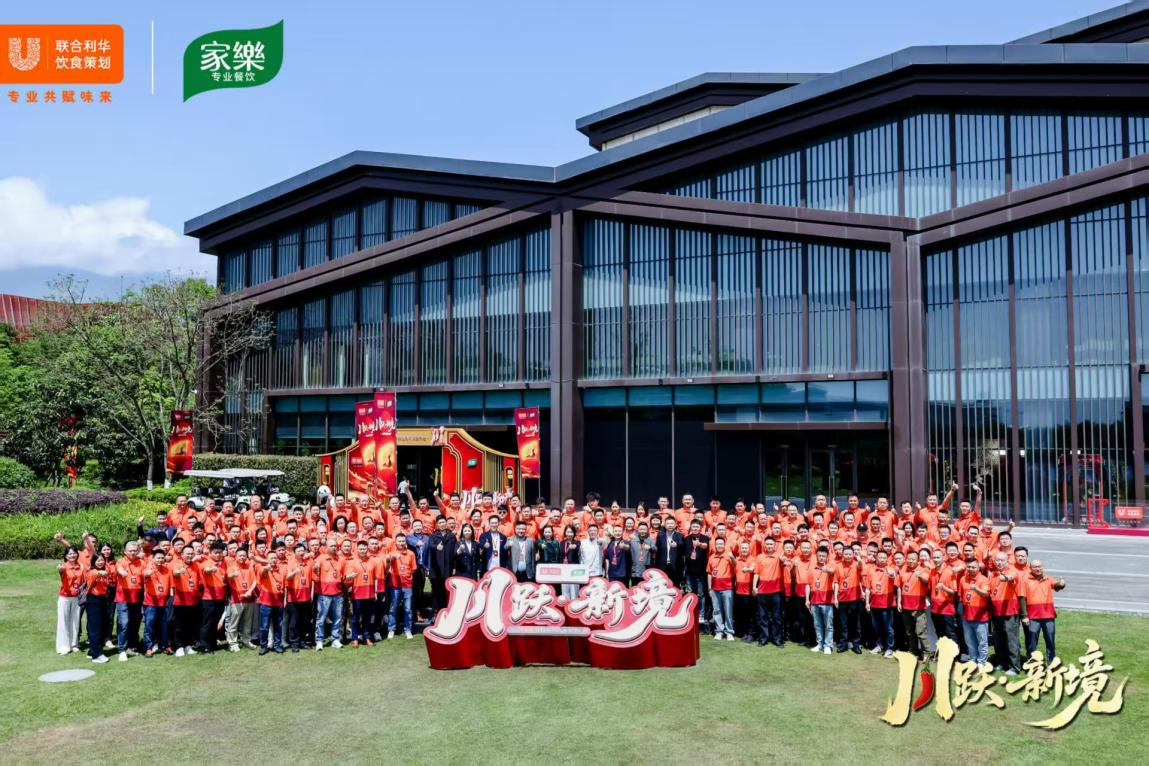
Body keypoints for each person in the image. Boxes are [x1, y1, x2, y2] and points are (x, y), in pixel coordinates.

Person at [1020, 560, 1065, 663]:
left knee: (1050, 641)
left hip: (1048, 616)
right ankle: (1032, 663)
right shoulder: (1025, 580)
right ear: (1030, 568)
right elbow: (1022, 598)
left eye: (1039, 566)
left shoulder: (1048, 579)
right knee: (1032, 642)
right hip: (1033, 617)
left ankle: (1051, 663)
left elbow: (1057, 586)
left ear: (1042, 567)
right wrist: (1024, 615)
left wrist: (1061, 584)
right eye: (1035, 567)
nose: (1037, 569)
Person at [958, 557, 992, 671]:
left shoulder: (984, 579)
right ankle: (973, 659)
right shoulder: (963, 579)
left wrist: (976, 589)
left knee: (982, 640)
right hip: (967, 615)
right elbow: (961, 596)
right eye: (969, 567)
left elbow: (986, 594)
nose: (971, 569)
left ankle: (982, 661)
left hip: (980, 616)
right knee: (969, 640)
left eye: (973, 567)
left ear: (978, 567)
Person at [896, 549, 930, 661]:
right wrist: (899, 601)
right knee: (909, 631)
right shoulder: (903, 570)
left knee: (921, 631)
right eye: (909, 559)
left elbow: (926, 581)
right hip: (906, 606)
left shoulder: (923, 569)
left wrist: (919, 576)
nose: (911, 561)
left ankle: (926, 653)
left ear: (918, 560)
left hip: (918, 606)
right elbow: (899, 587)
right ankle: (914, 651)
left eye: (913, 559)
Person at [114, 541, 145, 661]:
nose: (133, 553)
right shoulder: (121, 562)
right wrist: (122, 572)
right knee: (124, 623)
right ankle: (122, 650)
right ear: (125, 551)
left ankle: (131, 646)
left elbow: (145, 576)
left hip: (137, 598)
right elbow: (119, 569)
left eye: (135, 550)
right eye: (130, 550)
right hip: (123, 598)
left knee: (134, 623)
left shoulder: (142, 562)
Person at [196, 542, 228, 654]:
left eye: (220, 552)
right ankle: (204, 646)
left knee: (215, 622)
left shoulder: (223, 564)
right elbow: (206, 570)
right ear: (210, 553)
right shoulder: (206, 563)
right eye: (215, 553)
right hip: (209, 598)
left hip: (220, 597)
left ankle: (212, 643)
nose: (218, 555)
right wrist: (211, 569)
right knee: (207, 622)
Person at [170, 545, 202, 656]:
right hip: (181, 600)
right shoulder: (177, 564)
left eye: (191, 553)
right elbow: (175, 573)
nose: (190, 555)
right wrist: (179, 571)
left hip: (193, 600)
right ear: (182, 555)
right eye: (187, 554)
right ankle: (178, 647)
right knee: (179, 625)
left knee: (190, 625)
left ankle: (188, 645)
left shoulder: (196, 565)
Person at [313, 539, 345, 650]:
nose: (334, 547)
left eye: (335, 546)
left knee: (337, 618)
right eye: (331, 546)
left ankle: (335, 639)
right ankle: (319, 640)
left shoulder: (341, 559)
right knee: (321, 618)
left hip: (338, 594)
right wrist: (315, 570)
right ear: (326, 547)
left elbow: (343, 576)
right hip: (324, 594)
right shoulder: (321, 558)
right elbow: (315, 575)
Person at [256, 544, 288, 655]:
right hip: (266, 603)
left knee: (278, 625)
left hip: (278, 603)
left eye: (275, 558)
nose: (273, 560)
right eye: (271, 558)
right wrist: (267, 567)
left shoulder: (281, 570)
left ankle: (277, 645)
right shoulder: (263, 568)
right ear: (267, 559)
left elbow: (284, 586)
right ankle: (263, 646)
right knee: (264, 627)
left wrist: (284, 599)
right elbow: (262, 572)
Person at [225, 547, 258, 652]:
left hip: (249, 598)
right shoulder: (231, 568)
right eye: (240, 555)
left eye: (244, 555)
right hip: (237, 599)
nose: (242, 557)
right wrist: (233, 575)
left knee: (247, 622)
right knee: (234, 622)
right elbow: (229, 577)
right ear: (236, 556)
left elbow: (255, 581)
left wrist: (250, 591)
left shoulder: (249, 567)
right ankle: (232, 643)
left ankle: (246, 640)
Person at [753, 537, 784, 647]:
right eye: (767, 544)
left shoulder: (778, 557)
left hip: (776, 591)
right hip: (762, 591)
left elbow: (784, 560)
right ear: (764, 545)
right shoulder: (759, 557)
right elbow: (756, 573)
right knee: (763, 617)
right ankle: (763, 639)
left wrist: (783, 559)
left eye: (771, 544)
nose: (769, 546)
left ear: (775, 545)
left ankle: (777, 639)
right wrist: (754, 587)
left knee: (777, 617)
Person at [805, 546, 837, 655]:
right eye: (819, 556)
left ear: (827, 557)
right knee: (817, 625)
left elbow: (833, 573)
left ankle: (828, 645)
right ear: (816, 556)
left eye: (823, 556)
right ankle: (820, 644)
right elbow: (808, 584)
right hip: (814, 601)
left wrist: (826, 570)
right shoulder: (812, 568)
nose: (821, 558)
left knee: (828, 625)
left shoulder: (830, 567)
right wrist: (807, 599)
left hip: (827, 601)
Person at [865, 549, 896, 658]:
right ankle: (879, 645)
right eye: (880, 557)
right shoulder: (871, 570)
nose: (882, 559)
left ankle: (890, 648)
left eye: (884, 557)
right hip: (874, 603)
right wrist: (867, 603)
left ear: (887, 559)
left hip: (886, 604)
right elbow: (868, 588)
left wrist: (892, 574)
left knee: (888, 628)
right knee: (876, 627)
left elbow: (893, 576)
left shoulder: (890, 569)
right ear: (876, 558)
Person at [142, 548, 172, 657]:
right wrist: (147, 574)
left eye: (162, 558)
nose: (160, 560)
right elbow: (144, 576)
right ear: (153, 558)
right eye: (158, 558)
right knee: (149, 626)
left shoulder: (167, 570)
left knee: (164, 625)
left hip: (164, 603)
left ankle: (165, 646)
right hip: (151, 603)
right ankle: (148, 648)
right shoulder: (148, 569)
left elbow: (171, 585)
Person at [82, 553, 111, 663]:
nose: (100, 562)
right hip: (93, 600)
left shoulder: (104, 571)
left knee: (102, 626)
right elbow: (94, 574)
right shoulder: (92, 572)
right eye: (98, 560)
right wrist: (100, 572)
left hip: (102, 600)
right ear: (93, 562)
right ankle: (96, 655)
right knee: (95, 628)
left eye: (102, 560)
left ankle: (92, 651)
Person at [285, 543, 314, 652]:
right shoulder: (291, 563)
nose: (301, 553)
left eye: (303, 551)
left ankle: (303, 641)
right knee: (294, 622)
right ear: (294, 553)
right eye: (299, 551)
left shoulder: (308, 563)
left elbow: (312, 579)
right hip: (294, 598)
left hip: (306, 597)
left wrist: (311, 594)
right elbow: (288, 577)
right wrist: (294, 573)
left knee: (305, 621)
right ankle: (294, 643)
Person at [54, 547, 83, 655]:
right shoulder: (64, 566)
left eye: (74, 553)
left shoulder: (80, 566)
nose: (72, 555)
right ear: (66, 556)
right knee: (63, 621)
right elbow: (60, 570)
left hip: (76, 597)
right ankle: (63, 646)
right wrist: (60, 568)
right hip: (65, 597)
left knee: (75, 620)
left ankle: (74, 644)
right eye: (70, 554)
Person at [387, 534, 417, 639]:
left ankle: (408, 630)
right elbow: (387, 566)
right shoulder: (391, 554)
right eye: (399, 541)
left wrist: (407, 576)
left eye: (403, 541)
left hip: (407, 585)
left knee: (408, 609)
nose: (401, 543)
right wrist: (392, 558)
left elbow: (413, 569)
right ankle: (391, 629)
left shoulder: (411, 554)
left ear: (406, 542)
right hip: (395, 585)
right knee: (393, 608)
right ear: (395, 542)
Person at [683, 520, 711, 628]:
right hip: (689, 571)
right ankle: (690, 613)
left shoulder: (704, 538)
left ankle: (701, 614)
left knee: (700, 594)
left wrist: (699, 544)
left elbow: (705, 546)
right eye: (693, 526)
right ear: (691, 527)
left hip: (700, 571)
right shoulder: (687, 539)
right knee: (690, 593)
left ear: (700, 528)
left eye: (697, 527)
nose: (695, 528)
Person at [707, 537, 736, 641]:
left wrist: (733, 558)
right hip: (715, 588)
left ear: (724, 545)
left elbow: (736, 567)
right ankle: (719, 631)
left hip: (727, 587)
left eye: (721, 544)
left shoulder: (729, 556)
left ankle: (729, 632)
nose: (719, 545)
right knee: (717, 611)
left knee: (728, 611)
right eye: (717, 544)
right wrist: (709, 588)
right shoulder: (711, 557)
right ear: (715, 545)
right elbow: (709, 573)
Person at [428, 515, 456, 611]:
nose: (442, 524)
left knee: (447, 590)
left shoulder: (451, 536)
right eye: (439, 523)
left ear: (446, 523)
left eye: (443, 522)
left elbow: (454, 552)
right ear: (437, 524)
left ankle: (446, 610)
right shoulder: (433, 536)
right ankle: (436, 611)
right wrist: (436, 547)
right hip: (436, 569)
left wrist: (454, 567)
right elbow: (430, 546)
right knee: (436, 591)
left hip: (448, 567)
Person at [560, 525, 582, 601]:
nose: (569, 534)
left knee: (574, 592)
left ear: (574, 533)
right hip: (564, 570)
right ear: (565, 533)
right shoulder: (562, 543)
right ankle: (566, 606)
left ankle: (574, 605)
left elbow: (577, 548)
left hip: (574, 571)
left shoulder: (577, 542)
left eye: (571, 532)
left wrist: (574, 547)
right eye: (568, 532)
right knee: (565, 591)